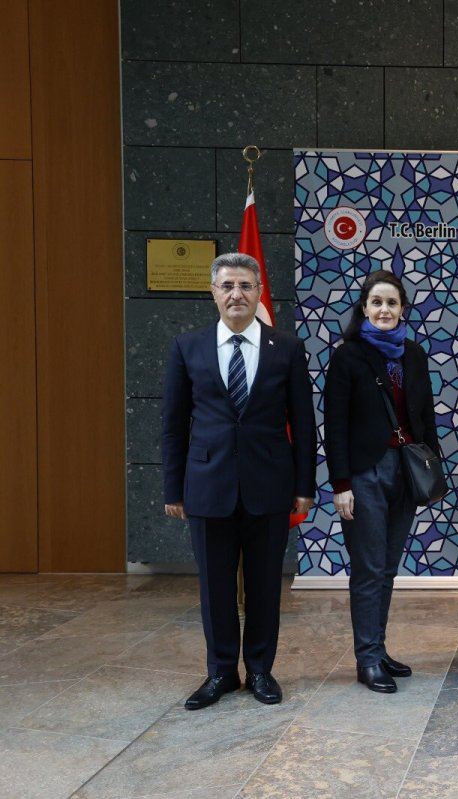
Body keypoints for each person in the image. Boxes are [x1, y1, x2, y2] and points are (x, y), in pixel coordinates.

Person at [162, 252, 317, 710]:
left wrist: (304, 486)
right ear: (213, 292)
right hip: (207, 487)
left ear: (258, 293)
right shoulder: (187, 347)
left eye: (246, 286)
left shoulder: (286, 348)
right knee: (214, 589)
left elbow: (303, 424)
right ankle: (221, 672)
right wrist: (173, 489)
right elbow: (173, 425)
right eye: (227, 286)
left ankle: (262, 671)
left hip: (269, 486)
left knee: (266, 585)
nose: (237, 294)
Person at [324, 270, 441, 693]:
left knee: (388, 567)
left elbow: (424, 416)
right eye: (377, 302)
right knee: (368, 568)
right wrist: (341, 484)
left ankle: (380, 648)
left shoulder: (414, 354)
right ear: (364, 308)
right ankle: (367, 659)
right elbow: (333, 424)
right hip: (365, 474)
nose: (384, 310)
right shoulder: (348, 356)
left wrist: (433, 468)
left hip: (406, 471)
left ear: (403, 309)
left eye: (392, 303)